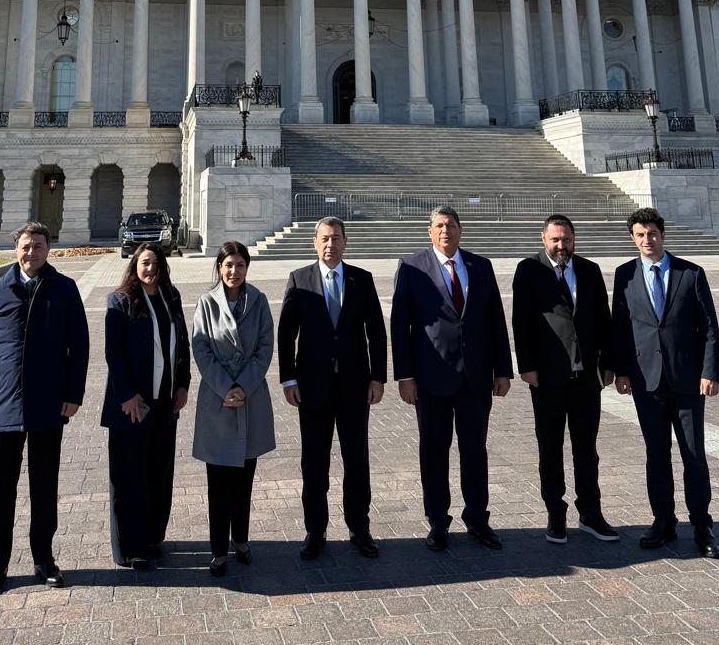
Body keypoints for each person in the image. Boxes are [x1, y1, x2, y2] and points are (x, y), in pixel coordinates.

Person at [0, 222, 89, 598]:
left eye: (37, 246)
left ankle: (44, 560)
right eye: (25, 246)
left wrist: (73, 394)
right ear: (16, 249)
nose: (31, 252)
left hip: (49, 404)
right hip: (3, 406)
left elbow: (79, 346)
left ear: (48, 249)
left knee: (44, 487)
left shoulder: (64, 289)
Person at [391, 205, 512, 551]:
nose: (446, 231)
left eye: (451, 225)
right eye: (439, 226)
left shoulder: (480, 266)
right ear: (429, 232)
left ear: (461, 230)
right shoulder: (412, 266)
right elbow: (400, 325)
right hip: (430, 378)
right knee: (434, 451)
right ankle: (437, 521)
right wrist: (405, 376)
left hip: (476, 378)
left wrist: (503, 370)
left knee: (474, 450)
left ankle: (477, 518)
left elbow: (495, 320)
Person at [611, 207, 719, 558]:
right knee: (656, 453)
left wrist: (710, 371)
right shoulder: (625, 275)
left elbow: (709, 327)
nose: (647, 240)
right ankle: (663, 521)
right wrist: (621, 371)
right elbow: (620, 327)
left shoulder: (691, 273)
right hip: (647, 381)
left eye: (652, 233)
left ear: (662, 234)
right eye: (640, 235)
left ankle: (702, 524)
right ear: (633, 238)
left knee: (694, 454)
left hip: (688, 381)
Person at [277, 218, 386, 559]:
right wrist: (288, 379)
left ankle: (359, 527)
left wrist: (378, 377)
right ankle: (315, 530)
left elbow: (376, 332)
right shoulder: (299, 279)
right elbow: (286, 334)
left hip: (355, 387)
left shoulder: (362, 279)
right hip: (312, 388)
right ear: (314, 242)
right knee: (314, 462)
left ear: (345, 242)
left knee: (357, 460)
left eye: (336, 238)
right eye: (324, 238)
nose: (330, 244)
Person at [511, 214, 618, 544]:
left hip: (586, 379)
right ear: (543, 238)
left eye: (567, 239)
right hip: (547, 378)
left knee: (587, 450)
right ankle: (555, 514)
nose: (561, 245)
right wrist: (526, 366)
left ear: (574, 240)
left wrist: (608, 364)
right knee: (550, 449)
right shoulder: (529, 270)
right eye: (555, 239)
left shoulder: (589, 270)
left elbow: (604, 320)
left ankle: (590, 513)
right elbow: (521, 321)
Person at [101, 241, 190, 570]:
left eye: (155, 263)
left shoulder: (171, 297)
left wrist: (183, 383)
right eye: (145, 263)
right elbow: (114, 353)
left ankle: (152, 537)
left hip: (165, 402)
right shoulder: (121, 300)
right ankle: (129, 547)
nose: (150, 269)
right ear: (135, 266)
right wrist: (126, 395)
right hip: (131, 405)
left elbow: (182, 343)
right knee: (129, 477)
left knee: (158, 473)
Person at [191, 241, 275, 576]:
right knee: (218, 481)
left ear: (247, 268)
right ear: (219, 267)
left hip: (250, 397)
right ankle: (217, 549)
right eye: (228, 265)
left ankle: (240, 539)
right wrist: (227, 387)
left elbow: (265, 347)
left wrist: (244, 386)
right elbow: (200, 348)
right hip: (218, 399)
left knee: (244, 479)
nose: (234, 272)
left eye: (240, 265)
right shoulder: (206, 302)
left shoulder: (259, 301)